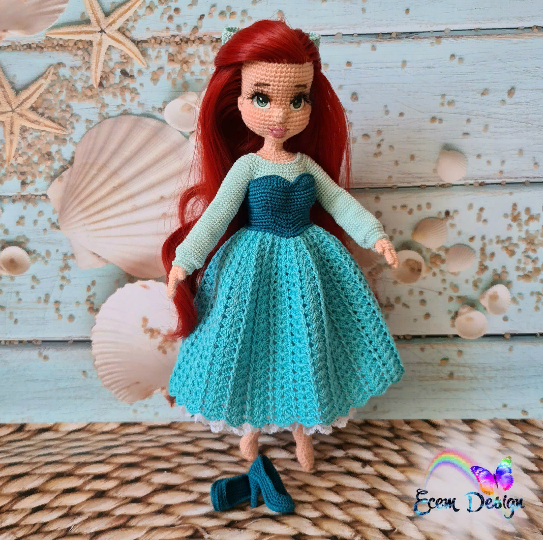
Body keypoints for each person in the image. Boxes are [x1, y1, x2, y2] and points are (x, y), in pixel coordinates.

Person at [162, 19, 405, 471]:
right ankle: (250, 429)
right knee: (249, 345)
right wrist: (185, 260)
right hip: (251, 264)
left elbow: (339, 202)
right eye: (262, 98)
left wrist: (375, 235)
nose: (280, 115)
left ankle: (302, 433)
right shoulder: (247, 168)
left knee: (307, 342)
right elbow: (216, 216)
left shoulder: (307, 165)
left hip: (308, 261)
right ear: (238, 101)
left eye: (297, 100)